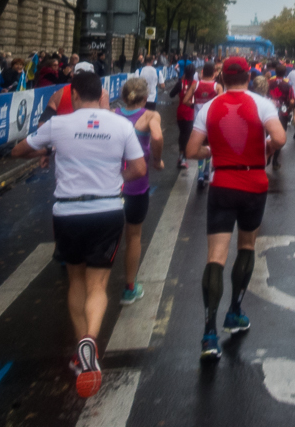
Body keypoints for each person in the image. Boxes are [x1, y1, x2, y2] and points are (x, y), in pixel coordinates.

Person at [11, 71, 147, 398]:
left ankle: (79, 346)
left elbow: (17, 151)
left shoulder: (59, 125)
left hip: (68, 211)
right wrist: (118, 177)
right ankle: (91, 342)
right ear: (102, 93)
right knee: (98, 283)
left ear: (73, 95)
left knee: (76, 281)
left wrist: (45, 152)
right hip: (108, 210)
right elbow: (140, 169)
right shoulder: (121, 125)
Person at [186, 56, 286, 361]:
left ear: (222, 77)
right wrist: (267, 148)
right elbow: (279, 137)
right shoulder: (262, 104)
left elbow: (191, 151)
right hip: (254, 181)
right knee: (246, 247)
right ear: (247, 75)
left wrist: (213, 150)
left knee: (215, 257)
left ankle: (208, 334)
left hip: (223, 184)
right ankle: (235, 312)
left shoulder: (209, 107)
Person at [115, 78, 164, 304]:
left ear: (123, 97)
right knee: (133, 236)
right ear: (145, 98)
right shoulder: (149, 116)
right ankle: (130, 287)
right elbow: (157, 136)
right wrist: (157, 160)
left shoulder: (111, 114)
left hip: (110, 183)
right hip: (136, 184)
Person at [185, 63, 223, 184]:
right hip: (212, 121)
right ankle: (207, 170)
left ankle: (200, 173)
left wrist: (194, 106)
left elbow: (185, 100)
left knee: (199, 147)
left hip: (197, 121)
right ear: (214, 74)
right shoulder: (217, 87)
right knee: (209, 146)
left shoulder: (195, 85)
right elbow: (221, 105)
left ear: (202, 72)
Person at [40, 62, 110, 123]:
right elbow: (106, 120)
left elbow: (43, 122)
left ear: (73, 75)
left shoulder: (60, 93)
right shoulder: (102, 93)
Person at [170, 64, 198, 169]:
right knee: (187, 135)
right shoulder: (196, 84)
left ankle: (181, 156)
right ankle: (184, 159)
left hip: (181, 110)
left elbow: (171, 94)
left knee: (182, 134)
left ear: (185, 72)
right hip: (191, 111)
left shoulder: (180, 83)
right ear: (194, 73)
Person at [267, 64, 294, 170]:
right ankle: (275, 161)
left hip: (269, 111)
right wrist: (289, 109)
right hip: (282, 113)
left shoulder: (269, 82)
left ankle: (267, 156)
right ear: (285, 73)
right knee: (279, 135)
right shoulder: (288, 84)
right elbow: (292, 100)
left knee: (267, 135)